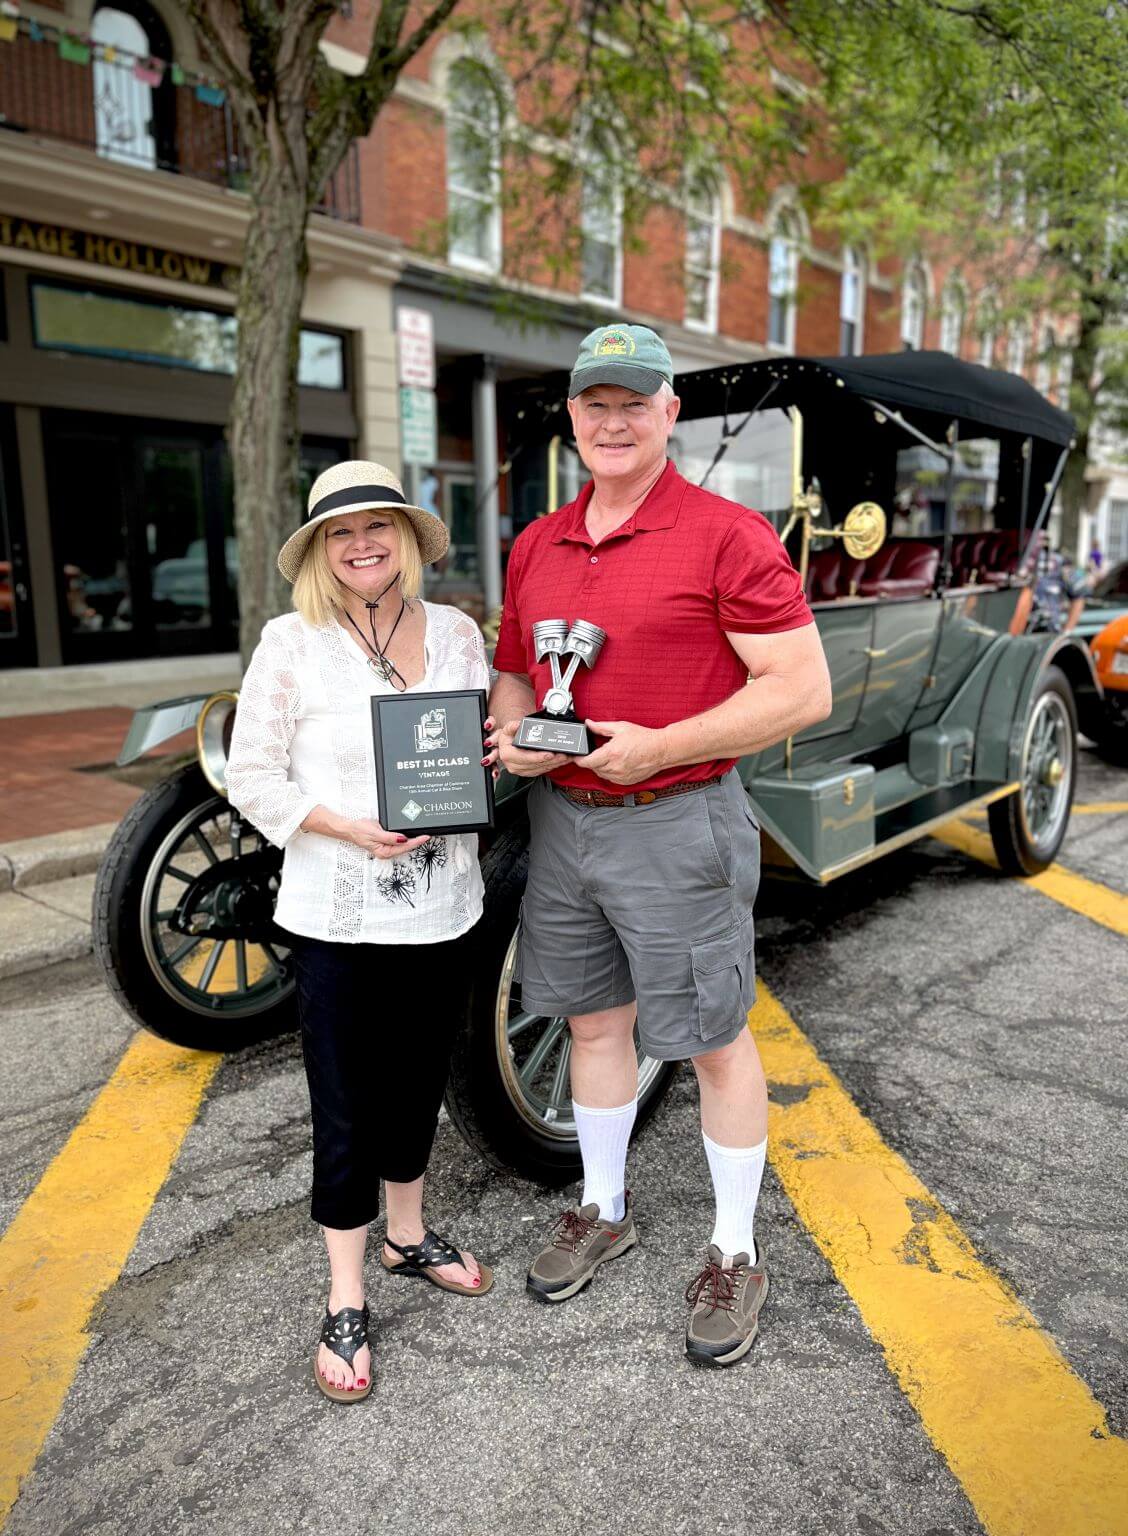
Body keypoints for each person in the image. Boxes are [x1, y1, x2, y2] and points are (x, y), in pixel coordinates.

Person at [488, 324, 832, 1367]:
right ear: (575, 419)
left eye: (636, 403)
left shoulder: (727, 535)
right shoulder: (538, 542)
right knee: (596, 1027)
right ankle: (603, 1206)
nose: (614, 422)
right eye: (596, 404)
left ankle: (734, 1249)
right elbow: (515, 668)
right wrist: (515, 738)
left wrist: (660, 748)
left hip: (675, 819)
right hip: (566, 824)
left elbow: (800, 691)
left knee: (714, 1039)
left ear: (669, 415)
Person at [226, 459, 495, 1406]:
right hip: (337, 912)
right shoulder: (290, 643)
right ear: (319, 551)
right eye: (341, 532)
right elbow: (249, 776)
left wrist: (507, 763)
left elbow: (477, 754)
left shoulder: (460, 633)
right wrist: (347, 826)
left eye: (378, 525)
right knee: (344, 1100)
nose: (362, 543)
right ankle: (345, 1295)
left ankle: (407, 1236)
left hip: (443, 905)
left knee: (419, 1084)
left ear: (408, 538)